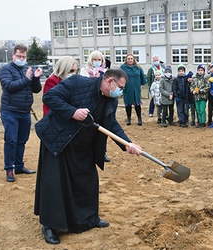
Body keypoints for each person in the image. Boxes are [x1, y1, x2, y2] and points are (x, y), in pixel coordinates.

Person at [34, 68, 142, 245]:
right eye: (120, 87)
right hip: (58, 140)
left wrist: (127, 144)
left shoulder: (110, 101)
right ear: (110, 82)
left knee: (87, 181)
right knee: (55, 184)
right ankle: (50, 226)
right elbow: (49, 97)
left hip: (83, 145)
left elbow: (111, 124)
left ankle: (88, 218)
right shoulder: (77, 82)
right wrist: (73, 112)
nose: (120, 92)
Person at [0, 44, 42, 182]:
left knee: (22, 140)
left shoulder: (26, 70)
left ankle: (19, 165)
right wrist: (27, 79)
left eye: (24, 56)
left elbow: (36, 90)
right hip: (10, 111)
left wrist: (35, 78)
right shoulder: (5, 70)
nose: (22, 59)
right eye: (19, 56)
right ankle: (9, 169)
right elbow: (10, 87)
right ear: (13, 56)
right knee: (11, 140)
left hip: (25, 111)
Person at [81, 51, 111, 162]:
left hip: (103, 103)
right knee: (89, 129)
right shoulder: (85, 71)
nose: (97, 62)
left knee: (103, 129)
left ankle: (102, 152)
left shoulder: (106, 72)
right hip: (89, 103)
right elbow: (84, 85)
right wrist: (95, 79)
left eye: (99, 60)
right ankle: (88, 153)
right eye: (95, 59)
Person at [120, 54, 147, 126]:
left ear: (133, 59)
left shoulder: (138, 67)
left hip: (136, 87)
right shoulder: (123, 67)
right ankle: (128, 118)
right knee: (128, 103)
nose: (130, 60)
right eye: (128, 59)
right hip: (127, 87)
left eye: (131, 58)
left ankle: (139, 118)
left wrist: (142, 84)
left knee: (137, 103)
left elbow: (142, 76)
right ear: (126, 60)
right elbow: (119, 76)